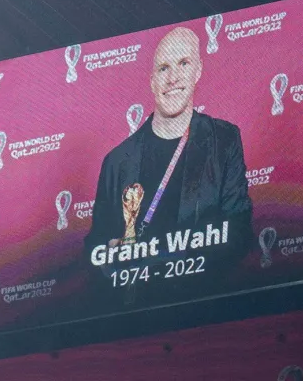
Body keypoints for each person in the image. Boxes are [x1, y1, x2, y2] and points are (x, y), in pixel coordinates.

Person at [83, 27, 254, 308]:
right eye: (163, 68)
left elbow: (239, 231)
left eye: (183, 64)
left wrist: (166, 257)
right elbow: (94, 249)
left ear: (198, 70)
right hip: (136, 313)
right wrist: (109, 255)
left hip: (203, 307)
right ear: (152, 81)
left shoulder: (224, 140)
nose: (173, 78)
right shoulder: (116, 161)